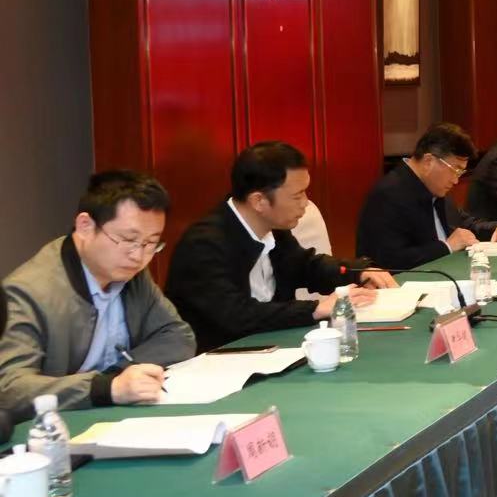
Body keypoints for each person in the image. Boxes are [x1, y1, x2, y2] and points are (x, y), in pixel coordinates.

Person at [165, 142, 398, 351]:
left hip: (270, 348)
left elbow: (305, 266)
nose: (306, 203)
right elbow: (236, 315)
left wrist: (358, 272)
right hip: (218, 360)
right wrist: (315, 308)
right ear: (259, 201)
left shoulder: (273, 227)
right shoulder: (204, 244)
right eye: (297, 196)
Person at [0, 171, 196, 416]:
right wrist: (105, 388)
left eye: (150, 243)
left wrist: (118, 375)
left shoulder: (130, 272)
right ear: (85, 226)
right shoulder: (28, 292)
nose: (138, 256)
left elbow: (177, 336)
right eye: (128, 239)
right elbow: (9, 389)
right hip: (53, 427)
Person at [355, 124, 497, 271]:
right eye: (455, 170)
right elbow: (389, 261)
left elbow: (463, 223)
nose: (456, 180)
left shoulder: (433, 186)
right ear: (429, 161)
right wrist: (446, 247)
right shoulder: (388, 195)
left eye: (461, 172)